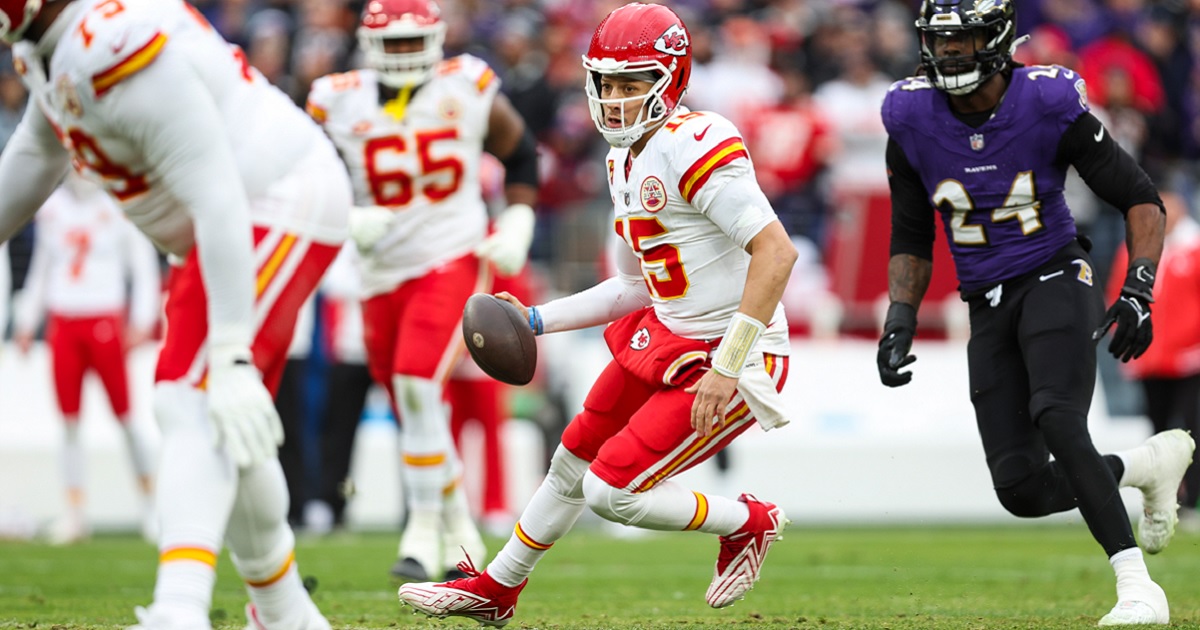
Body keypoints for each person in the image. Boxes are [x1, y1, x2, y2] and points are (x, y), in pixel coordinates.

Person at [397, 3, 799, 626]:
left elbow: (775, 252)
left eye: (632, 83)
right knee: (571, 458)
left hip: (734, 356)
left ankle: (749, 521)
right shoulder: (623, 158)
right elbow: (635, 287)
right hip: (670, 336)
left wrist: (729, 364)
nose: (615, 99)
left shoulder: (698, 142)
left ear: (671, 79)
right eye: (606, 83)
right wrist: (534, 319)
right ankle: (497, 588)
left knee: (611, 491)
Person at [0, 0, 351, 627]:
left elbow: (215, 192)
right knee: (222, 426)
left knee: (191, 398)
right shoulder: (53, 44)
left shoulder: (110, 44)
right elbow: (37, 150)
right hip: (229, 218)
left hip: (274, 199)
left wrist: (232, 350)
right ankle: (284, 612)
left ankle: (180, 610)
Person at [876, 1, 1194, 625]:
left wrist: (1137, 288)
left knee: (1056, 415)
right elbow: (912, 233)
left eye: (963, 41)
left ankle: (1137, 586)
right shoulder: (909, 116)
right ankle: (1144, 466)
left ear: (995, 39)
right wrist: (900, 316)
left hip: (1054, 273)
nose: (950, 54)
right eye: (940, 42)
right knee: (1020, 489)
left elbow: (1139, 197)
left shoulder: (1044, 100)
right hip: (984, 300)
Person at [305, 0, 538, 582]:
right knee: (415, 405)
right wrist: (342, 218)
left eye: (416, 41)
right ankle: (459, 526)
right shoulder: (337, 97)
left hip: (451, 255)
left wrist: (517, 221)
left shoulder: (467, 85)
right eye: (396, 42)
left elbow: (521, 152)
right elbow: (298, 174)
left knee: (414, 383)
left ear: (436, 40)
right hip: (379, 272)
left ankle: (422, 529)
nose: (407, 53)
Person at [13, 173, 161, 545]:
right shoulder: (52, 209)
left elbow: (142, 266)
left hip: (105, 318)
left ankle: (151, 506)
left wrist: (143, 320)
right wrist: (28, 319)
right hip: (63, 321)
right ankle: (75, 512)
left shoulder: (119, 203)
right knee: (68, 421)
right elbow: (42, 269)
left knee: (126, 417)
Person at [1107, 189, 1200, 518]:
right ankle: (1165, 499)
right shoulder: (1133, 250)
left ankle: (1191, 499)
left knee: (1192, 428)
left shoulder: (1194, 248)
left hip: (1190, 356)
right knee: (1157, 429)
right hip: (1153, 357)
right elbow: (1119, 295)